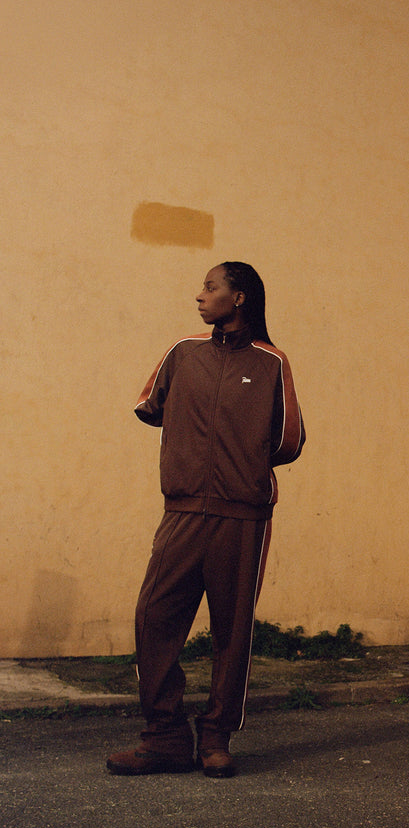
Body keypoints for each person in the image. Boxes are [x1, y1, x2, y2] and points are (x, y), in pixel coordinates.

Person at [106, 262, 305, 779]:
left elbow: (289, 440)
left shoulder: (271, 362)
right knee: (154, 616)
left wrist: (242, 464)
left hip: (242, 515)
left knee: (232, 632)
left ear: (239, 297)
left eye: (210, 287)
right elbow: (150, 406)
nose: (199, 295)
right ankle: (165, 737)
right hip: (183, 509)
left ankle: (216, 738)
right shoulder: (183, 352)